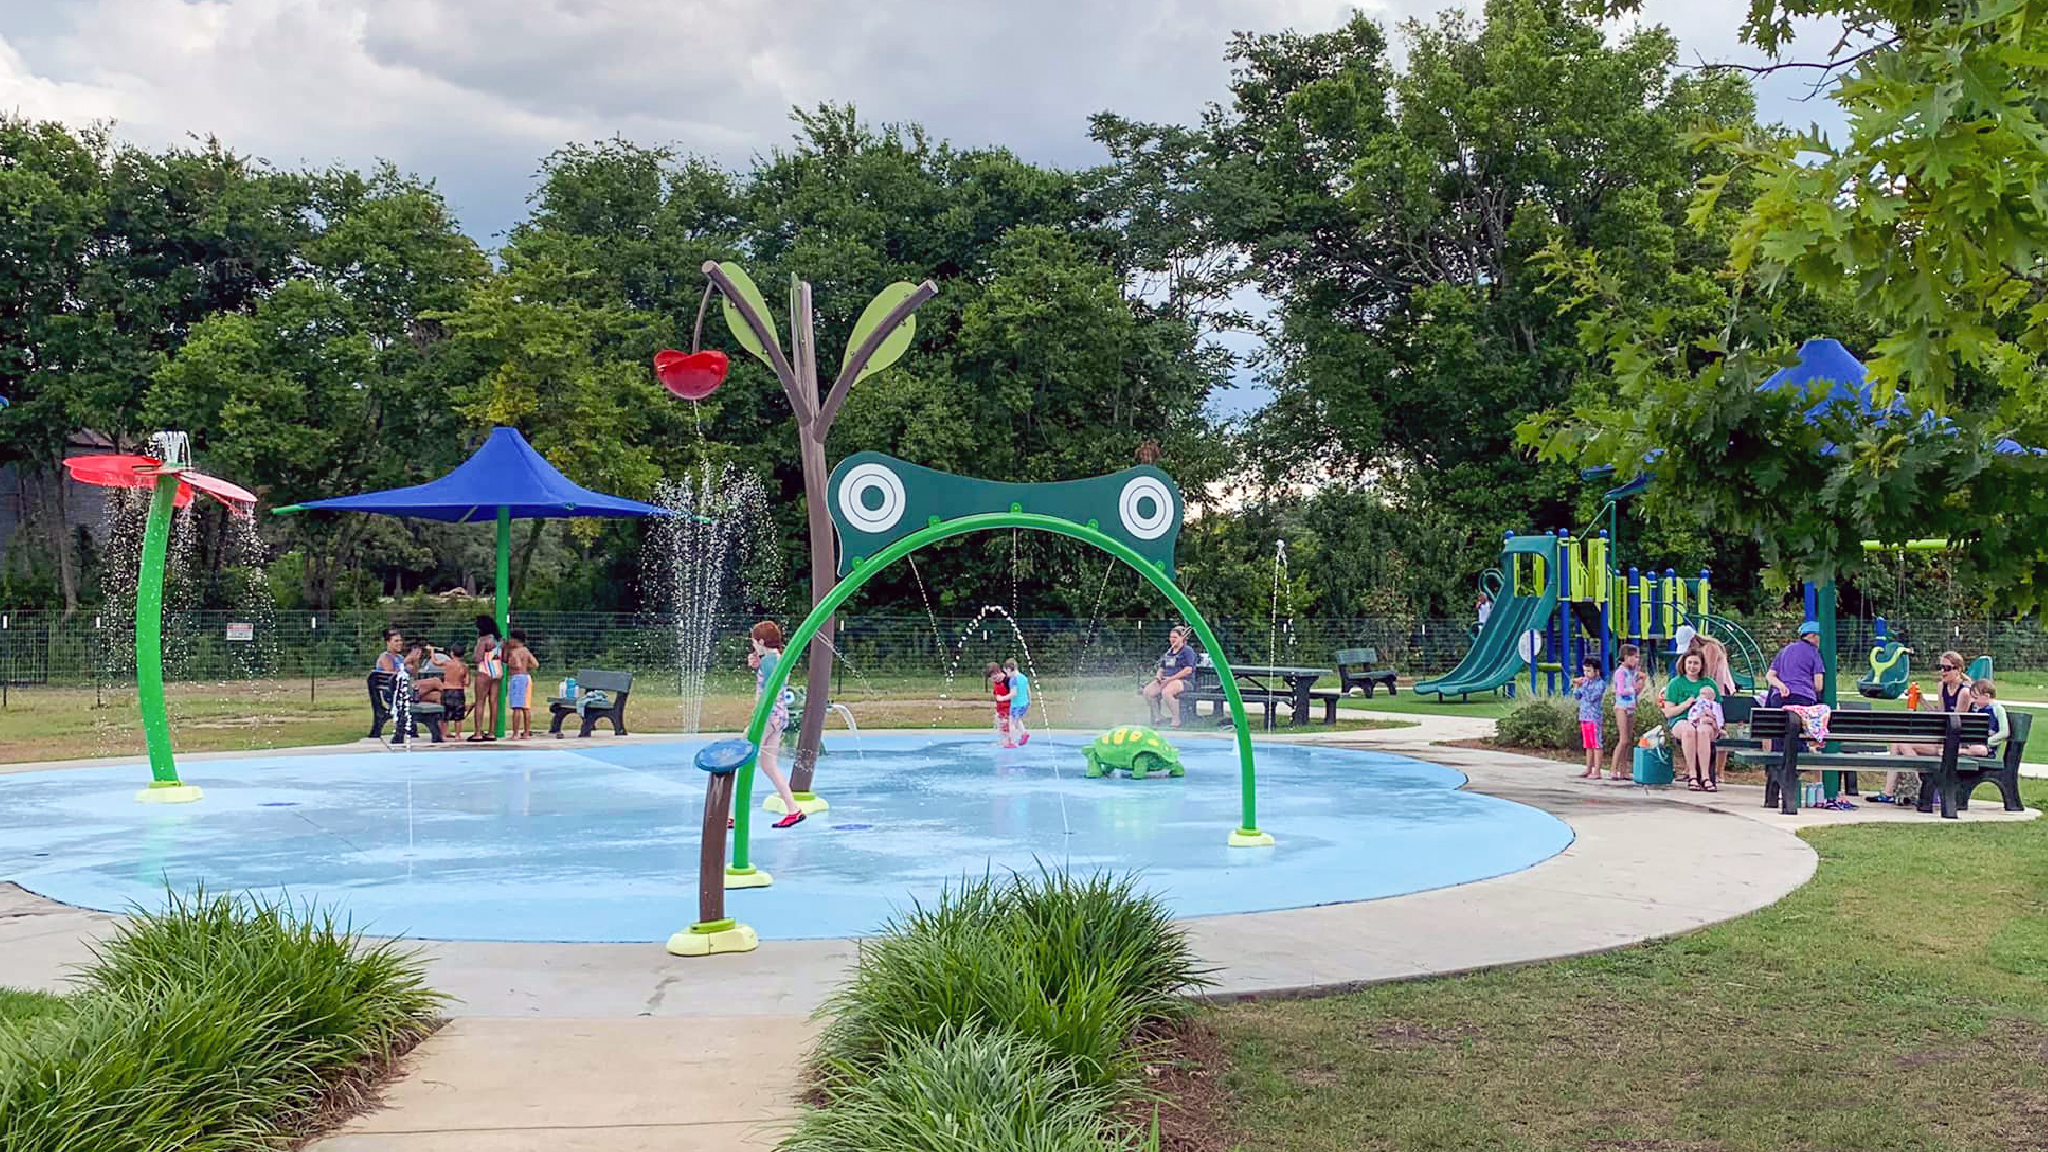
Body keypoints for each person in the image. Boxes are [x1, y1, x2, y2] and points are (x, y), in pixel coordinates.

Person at [1878, 649, 1971, 802]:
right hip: (1941, 737)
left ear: (1958, 670)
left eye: (1947, 668)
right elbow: (1940, 715)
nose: (1943, 671)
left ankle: (1925, 785)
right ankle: (1890, 792)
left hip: (1953, 743)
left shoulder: (1964, 692)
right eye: (1941, 667)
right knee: (1897, 742)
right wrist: (1921, 700)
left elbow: (1957, 725)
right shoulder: (1942, 687)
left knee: (1903, 745)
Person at [749, 621, 806, 828]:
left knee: (741, 758)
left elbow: (771, 687)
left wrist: (760, 665)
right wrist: (758, 665)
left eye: (754, 641)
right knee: (768, 765)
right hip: (779, 716)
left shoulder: (770, 661)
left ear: (761, 642)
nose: (753, 645)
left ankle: (734, 815)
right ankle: (793, 810)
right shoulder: (776, 658)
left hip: (767, 717)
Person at [1662, 650, 1719, 791]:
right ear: (1684, 664)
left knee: (1702, 731)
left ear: (1701, 665)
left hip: (1704, 721)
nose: (1692, 666)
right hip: (1681, 720)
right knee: (1689, 731)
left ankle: (1705, 777)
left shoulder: (1709, 684)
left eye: (1696, 663)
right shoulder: (1675, 683)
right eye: (1690, 663)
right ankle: (1692, 775)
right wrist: (1685, 705)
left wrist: (1712, 719)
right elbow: (1668, 712)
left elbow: (1717, 708)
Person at [1140, 625, 1199, 727]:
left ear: (1182, 638)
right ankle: (1158, 717)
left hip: (1183, 681)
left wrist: (1171, 679)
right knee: (1147, 692)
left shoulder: (1187, 651)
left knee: (1166, 692)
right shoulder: (1169, 652)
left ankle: (1176, 719)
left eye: (1175, 637)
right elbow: (1162, 667)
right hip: (1166, 680)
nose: (1172, 639)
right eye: (1171, 637)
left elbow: (1188, 670)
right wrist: (1158, 676)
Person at [1765, 621, 1826, 708]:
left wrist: (1781, 686)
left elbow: (1770, 676)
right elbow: (1818, 686)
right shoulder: (1815, 653)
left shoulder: (1785, 650)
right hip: (1803, 698)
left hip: (1779, 698)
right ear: (1813, 636)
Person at [1606, 644, 1644, 780]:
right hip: (1622, 707)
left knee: (1628, 740)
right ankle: (1613, 768)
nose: (1637, 660)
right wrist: (1634, 688)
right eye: (1635, 657)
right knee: (1623, 739)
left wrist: (1641, 683)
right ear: (1626, 657)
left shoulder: (1632, 673)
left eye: (1638, 657)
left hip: (1631, 707)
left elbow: (1636, 691)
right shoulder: (1620, 672)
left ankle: (1624, 769)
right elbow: (1621, 690)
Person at [1571, 658, 1608, 779]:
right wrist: (1577, 686)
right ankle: (1588, 768)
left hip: (1594, 717)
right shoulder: (1586, 683)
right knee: (1588, 745)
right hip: (1584, 716)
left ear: (1597, 671)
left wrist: (1583, 686)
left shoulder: (1600, 684)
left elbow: (1591, 697)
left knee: (1596, 744)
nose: (1586, 674)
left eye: (1589, 671)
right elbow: (1577, 696)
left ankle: (1597, 770)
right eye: (1585, 671)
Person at [468, 615, 501, 743]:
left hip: (485, 670)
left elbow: (478, 658)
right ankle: (491, 732)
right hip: (497, 670)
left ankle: (478, 733)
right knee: (494, 701)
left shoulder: (483, 640)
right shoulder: (499, 640)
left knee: (480, 701)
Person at [504, 629, 538, 739]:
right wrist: (526, 666)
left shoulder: (514, 652)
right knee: (526, 707)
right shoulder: (526, 650)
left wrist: (512, 663)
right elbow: (535, 664)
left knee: (517, 707)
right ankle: (526, 732)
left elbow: (517, 664)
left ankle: (515, 733)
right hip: (527, 677)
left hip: (517, 678)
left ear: (515, 640)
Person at [437, 642, 470, 740]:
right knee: (458, 717)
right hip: (459, 691)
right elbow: (467, 682)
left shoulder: (447, 663)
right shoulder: (464, 666)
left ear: (452, 653)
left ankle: (443, 734)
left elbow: (435, 662)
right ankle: (458, 735)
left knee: (445, 716)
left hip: (447, 690)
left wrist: (432, 652)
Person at [1004, 658, 1031, 746]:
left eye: (1006, 672)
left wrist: (1002, 698)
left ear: (1009, 669)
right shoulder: (1024, 677)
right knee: (1017, 719)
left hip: (1016, 705)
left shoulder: (1013, 680)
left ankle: (1012, 743)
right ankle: (1024, 733)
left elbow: (1013, 693)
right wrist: (1029, 701)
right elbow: (1028, 691)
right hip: (1024, 703)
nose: (1007, 675)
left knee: (1011, 723)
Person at [988, 662, 1016, 749]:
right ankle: (1006, 742)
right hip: (1000, 709)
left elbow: (1014, 693)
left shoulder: (1007, 680)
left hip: (1009, 708)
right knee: (1002, 727)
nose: (994, 680)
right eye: (992, 679)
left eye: (995, 678)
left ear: (998, 672)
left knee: (1006, 725)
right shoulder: (996, 683)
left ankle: (1010, 742)